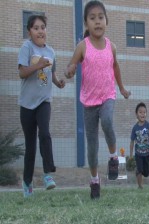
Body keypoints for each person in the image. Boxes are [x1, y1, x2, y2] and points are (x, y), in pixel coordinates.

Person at [65, 0, 130, 199]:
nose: (97, 22)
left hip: (108, 95)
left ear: (106, 21)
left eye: (101, 17)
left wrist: (122, 88)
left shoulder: (112, 47)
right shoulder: (82, 46)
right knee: (91, 147)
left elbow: (116, 68)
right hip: (88, 101)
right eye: (92, 18)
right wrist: (70, 71)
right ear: (86, 23)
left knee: (108, 121)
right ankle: (94, 180)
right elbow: (71, 65)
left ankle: (113, 157)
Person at [18, 15, 65, 197]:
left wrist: (58, 83)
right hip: (27, 105)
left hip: (44, 102)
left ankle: (47, 175)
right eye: (36, 28)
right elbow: (22, 72)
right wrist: (39, 65)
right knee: (30, 146)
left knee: (45, 134)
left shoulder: (51, 52)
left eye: (43, 27)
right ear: (29, 31)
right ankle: (27, 182)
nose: (40, 31)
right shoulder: (26, 47)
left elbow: (51, 74)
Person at [129, 102, 149, 189]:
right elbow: (132, 141)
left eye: (144, 112)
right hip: (138, 154)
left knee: (146, 173)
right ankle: (140, 185)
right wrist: (130, 154)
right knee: (140, 170)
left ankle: (139, 172)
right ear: (136, 114)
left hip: (147, 154)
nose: (143, 114)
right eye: (140, 112)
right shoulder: (135, 128)